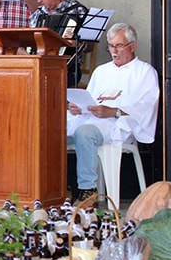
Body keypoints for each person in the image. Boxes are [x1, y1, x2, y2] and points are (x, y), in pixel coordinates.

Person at [67, 23, 159, 203]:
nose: (114, 51)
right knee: (51, 130)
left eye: (119, 45)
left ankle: (88, 191)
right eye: (110, 46)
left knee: (84, 133)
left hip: (117, 126)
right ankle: (61, 189)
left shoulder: (145, 72)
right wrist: (77, 107)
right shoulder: (102, 71)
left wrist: (114, 111)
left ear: (132, 46)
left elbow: (146, 105)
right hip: (92, 119)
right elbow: (90, 98)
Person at [29, 0, 88, 85]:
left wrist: (73, 43)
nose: (39, 1)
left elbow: (86, 44)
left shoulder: (77, 11)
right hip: (39, 65)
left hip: (67, 67)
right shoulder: (39, 13)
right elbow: (31, 40)